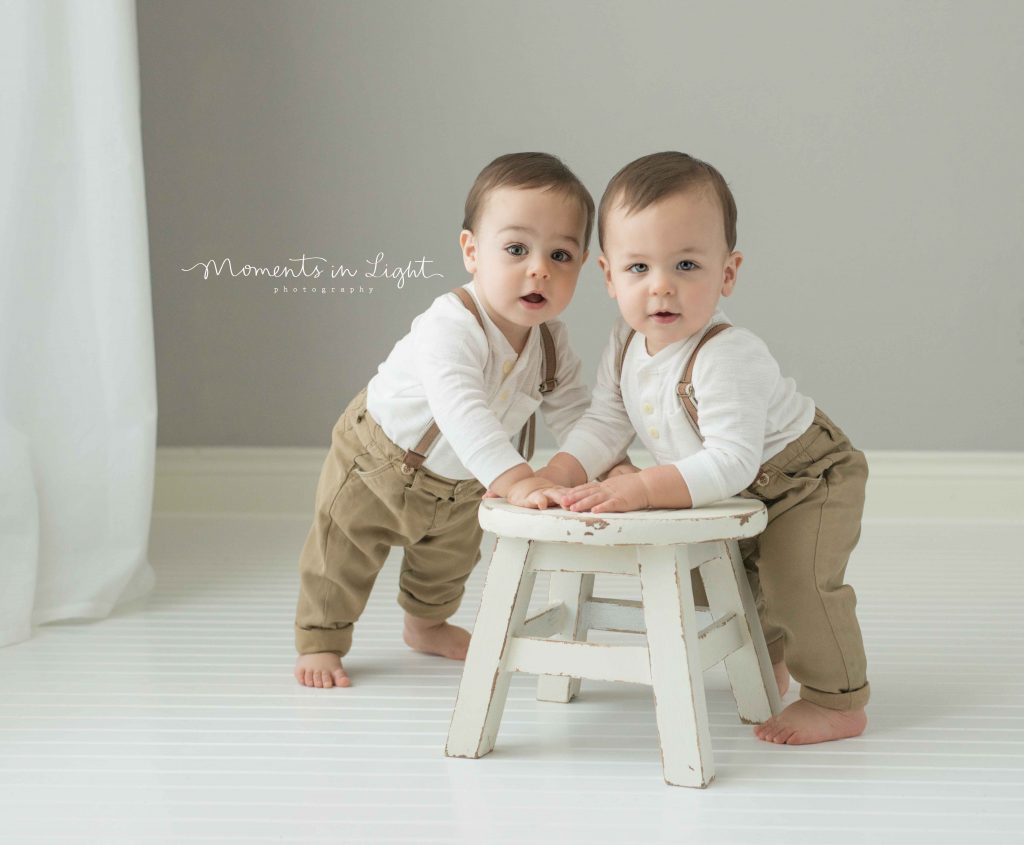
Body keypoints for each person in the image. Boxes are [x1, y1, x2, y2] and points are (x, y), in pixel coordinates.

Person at [519, 151, 870, 745]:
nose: (661, 286)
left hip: (805, 481)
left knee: (797, 582)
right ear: (608, 275)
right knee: (721, 577)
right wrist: (559, 468)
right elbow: (606, 419)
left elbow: (734, 459)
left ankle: (837, 700)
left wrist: (642, 489)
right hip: (719, 483)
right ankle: (770, 658)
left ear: (727, 273)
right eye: (638, 268)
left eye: (686, 264)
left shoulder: (728, 354)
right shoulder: (628, 339)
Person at [293, 152, 601, 689]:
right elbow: (462, 409)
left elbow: (577, 408)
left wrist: (608, 461)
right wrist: (519, 480)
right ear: (472, 252)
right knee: (342, 550)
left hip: (464, 480)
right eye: (516, 249)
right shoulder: (450, 324)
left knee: (448, 563)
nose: (539, 269)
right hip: (380, 459)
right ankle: (320, 638)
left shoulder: (552, 342)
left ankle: (427, 624)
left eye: (560, 254)